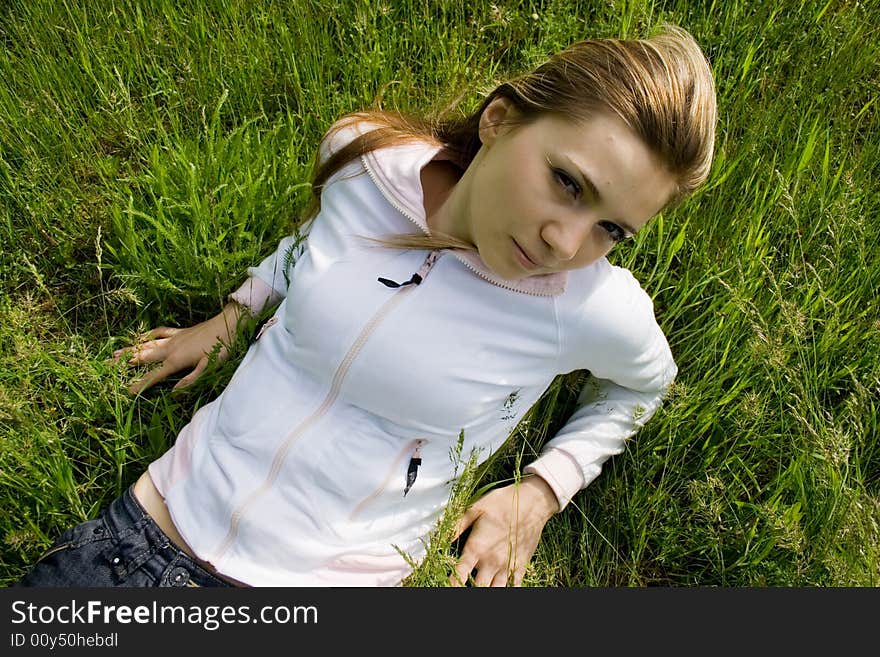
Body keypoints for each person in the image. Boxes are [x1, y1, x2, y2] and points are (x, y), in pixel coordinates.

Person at [16, 24, 716, 588]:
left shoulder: (589, 307)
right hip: (136, 538)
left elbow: (643, 384)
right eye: (567, 182)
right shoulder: (367, 160)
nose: (566, 241)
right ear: (500, 120)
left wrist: (539, 492)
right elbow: (318, 240)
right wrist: (236, 313)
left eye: (612, 229)